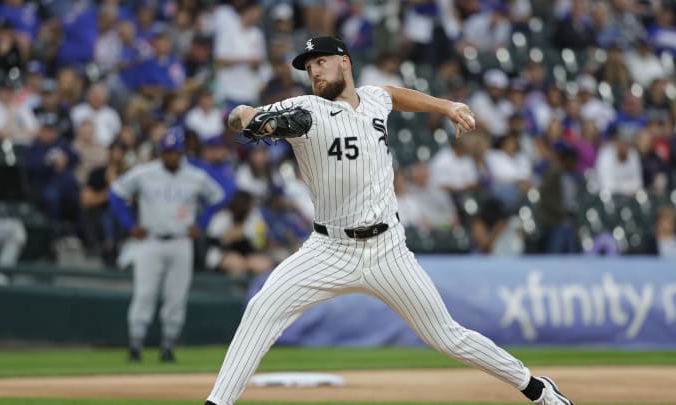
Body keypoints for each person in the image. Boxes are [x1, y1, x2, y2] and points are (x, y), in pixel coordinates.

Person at [204, 36, 574, 405]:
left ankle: (538, 389)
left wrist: (446, 106)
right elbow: (243, 117)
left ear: (344, 61)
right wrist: (247, 118)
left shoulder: (374, 99)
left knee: (446, 336)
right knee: (261, 308)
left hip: (388, 250)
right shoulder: (307, 110)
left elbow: (393, 94)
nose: (314, 70)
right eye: (308, 66)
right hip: (329, 249)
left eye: (321, 61)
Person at [109, 128, 223, 363]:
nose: (172, 156)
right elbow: (116, 194)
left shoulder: (195, 176)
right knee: (144, 295)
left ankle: (168, 346)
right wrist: (130, 224)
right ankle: (135, 345)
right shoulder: (144, 173)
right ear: (162, 152)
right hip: (150, 240)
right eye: (168, 151)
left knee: (176, 297)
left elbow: (218, 197)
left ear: (182, 153)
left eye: (176, 152)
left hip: (181, 241)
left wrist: (200, 223)